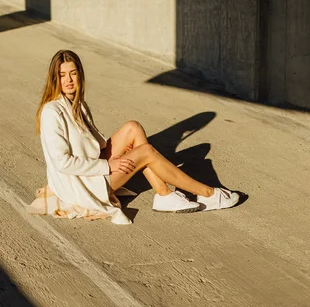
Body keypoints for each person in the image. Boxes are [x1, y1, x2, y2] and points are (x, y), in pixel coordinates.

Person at [27, 50, 239, 225]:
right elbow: (63, 162)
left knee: (133, 128)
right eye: (62, 75)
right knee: (146, 152)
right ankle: (207, 194)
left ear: (80, 75)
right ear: (54, 78)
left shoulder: (78, 105)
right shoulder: (52, 112)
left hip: (91, 167)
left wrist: (121, 149)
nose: (69, 80)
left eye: (73, 73)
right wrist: (110, 166)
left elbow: (93, 144)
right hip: (80, 185)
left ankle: (163, 195)